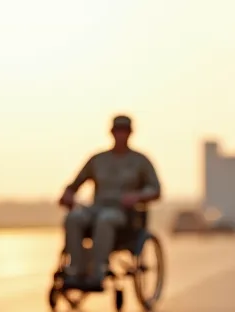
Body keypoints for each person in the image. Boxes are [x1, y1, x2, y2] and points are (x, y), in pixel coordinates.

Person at [58, 115, 161, 290]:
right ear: (111, 133)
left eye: (124, 131)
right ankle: (76, 268)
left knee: (105, 219)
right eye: (117, 131)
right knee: (73, 218)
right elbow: (75, 184)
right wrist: (67, 194)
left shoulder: (139, 161)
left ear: (130, 134)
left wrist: (137, 196)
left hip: (123, 213)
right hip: (96, 207)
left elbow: (155, 189)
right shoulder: (98, 160)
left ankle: (98, 270)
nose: (120, 135)